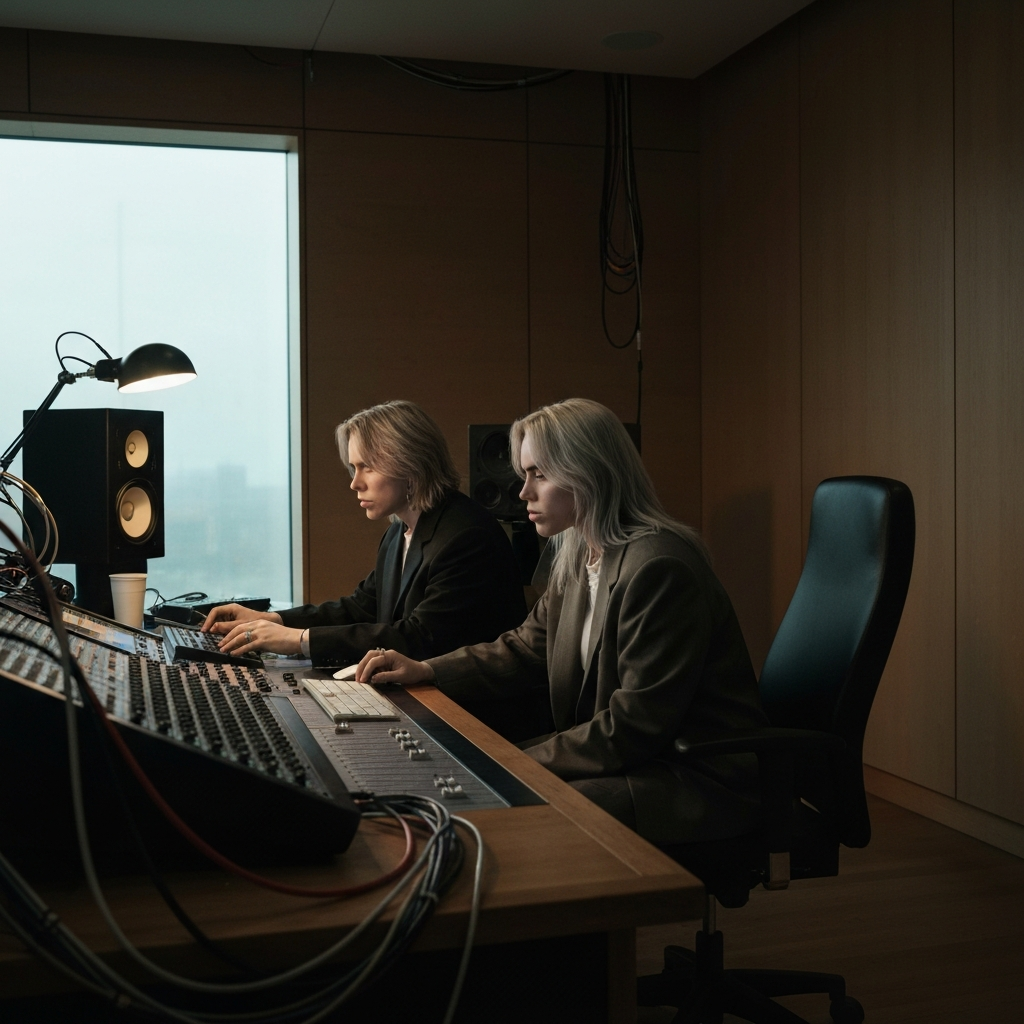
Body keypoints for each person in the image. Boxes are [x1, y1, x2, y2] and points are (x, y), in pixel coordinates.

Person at [353, 398, 768, 845]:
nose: (523, 492)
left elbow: (631, 729)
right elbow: (525, 645)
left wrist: (507, 759)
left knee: (510, 820)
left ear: (590, 474)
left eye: (539, 474)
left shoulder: (659, 568)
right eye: (525, 474)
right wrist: (427, 670)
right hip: (634, 761)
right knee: (488, 799)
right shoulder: (579, 554)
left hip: (689, 778)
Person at [202, 400, 527, 668]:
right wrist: (272, 619)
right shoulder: (400, 531)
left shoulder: (465, 537)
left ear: (409, 463)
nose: (355, 483)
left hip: (473, 715)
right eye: (354, 468)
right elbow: (361, 608)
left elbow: (419, 639)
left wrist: (298, 641)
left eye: (367, 467)